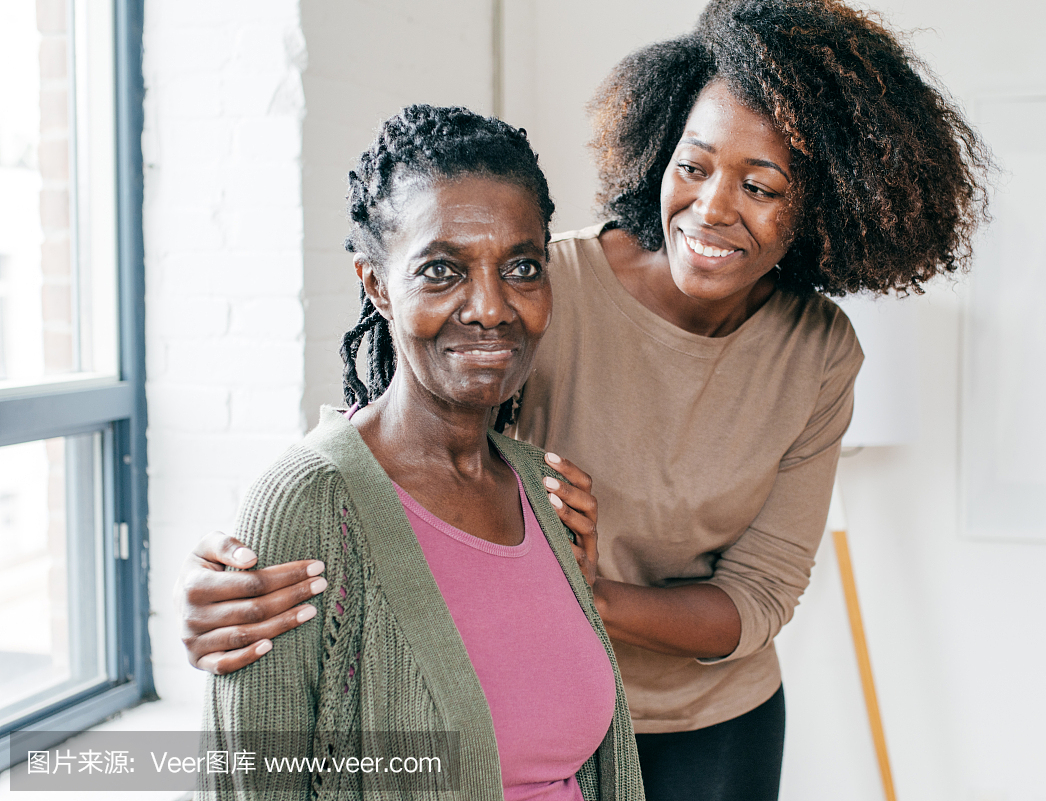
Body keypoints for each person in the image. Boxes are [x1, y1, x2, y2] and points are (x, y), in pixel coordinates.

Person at [178, 2, 989, 798]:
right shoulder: (538, 286)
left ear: (821, 206)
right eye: (695, 165)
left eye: (762, 185)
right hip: (523, 703)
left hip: (715, 722)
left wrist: (587, 594)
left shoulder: (816, 353)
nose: (712, 208)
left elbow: (761, 594)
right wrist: (250, 563)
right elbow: (404, 430)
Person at [197, 105, 644, 801]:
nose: (492, 307)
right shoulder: (309, 501)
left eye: (522, 266)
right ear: (376, 283)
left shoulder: (544, 488)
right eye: (442, 270)